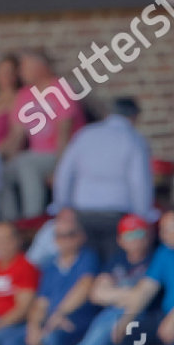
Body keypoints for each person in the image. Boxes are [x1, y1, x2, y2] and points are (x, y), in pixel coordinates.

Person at [46, 215, 161, 345]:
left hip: (145, 316)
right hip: (113, 313)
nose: (135, 240)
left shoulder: (155, 258)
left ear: (150, 235)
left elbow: (143, 298)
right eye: (129, 235)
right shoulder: (117, 259)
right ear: (120, 240)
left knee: (109, 324)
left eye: (140, 234)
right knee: (101, 322)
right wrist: (130, 294)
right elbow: (97, 293)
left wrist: (117, 294)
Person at [51, 97, 154, 265]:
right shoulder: (133, 139)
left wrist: (62, 205)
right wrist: (142, 215)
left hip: (83, 211)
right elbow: (139, 181)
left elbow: (64, 172)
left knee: (86, 264)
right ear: (134, 117)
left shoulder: (85, 134)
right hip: (116, 213)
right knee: (113, 265)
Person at [0, 50, 83, 219]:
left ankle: (33, 220)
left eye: (24, 66)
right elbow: (16, 135)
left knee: (27, 165)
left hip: (62, 154)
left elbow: (64, 133)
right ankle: (10, 223)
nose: (20, 71)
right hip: (35, 156)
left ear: (41, 67)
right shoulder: (24, 94)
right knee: (0, 174)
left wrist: (61, 169)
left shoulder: (61, 88)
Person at [24, 208, 99, 345]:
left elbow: (84, 287)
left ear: (81, 236)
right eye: (60, 236)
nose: (65, 240)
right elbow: (41, 302)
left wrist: (59, 314)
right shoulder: (50, 266)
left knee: (52, 337)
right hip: (53, 321)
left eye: (70, 235)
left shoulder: (88, 257)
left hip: (80, 320)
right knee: (8, 343)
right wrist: (34, 325)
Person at [146, 207, 174, 345]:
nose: (163, 235)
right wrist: (125, 319)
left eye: (168, 229)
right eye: (162, 230)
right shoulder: (164, 252)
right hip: (168, 315)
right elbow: (145, 289)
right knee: (128, 329)